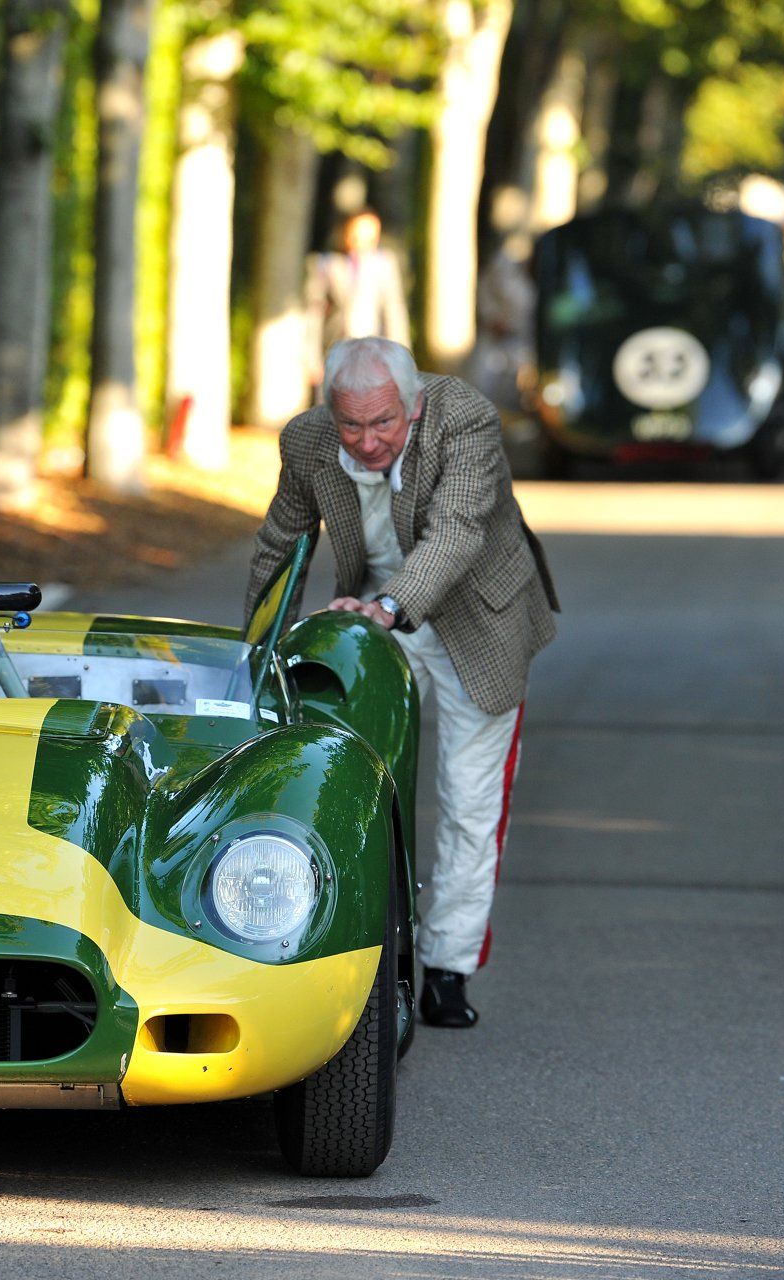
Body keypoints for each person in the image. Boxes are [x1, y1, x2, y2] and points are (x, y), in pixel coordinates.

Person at [246, 337, 559, 1028]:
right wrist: (256, 657)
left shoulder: (465, 418)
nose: (366, 442)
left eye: (382, 422)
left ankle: (448, 967)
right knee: (351, 781)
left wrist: (390, 606)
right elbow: (280, 545)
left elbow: (456, 531)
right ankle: (365, 950)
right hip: (374, 615)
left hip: (478, 613)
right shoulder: (306, 441)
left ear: (412, 407)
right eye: (350, 425)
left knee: (469, 798)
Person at [305, 209, 411, 393]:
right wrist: (312, 360)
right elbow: (313, 314)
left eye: (370, 235)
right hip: (334, 353)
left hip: (374, 354)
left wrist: (401, 358)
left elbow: (394, 312)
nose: (363, 240)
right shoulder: (325, 264)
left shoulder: (384, 264)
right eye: (357, 234)